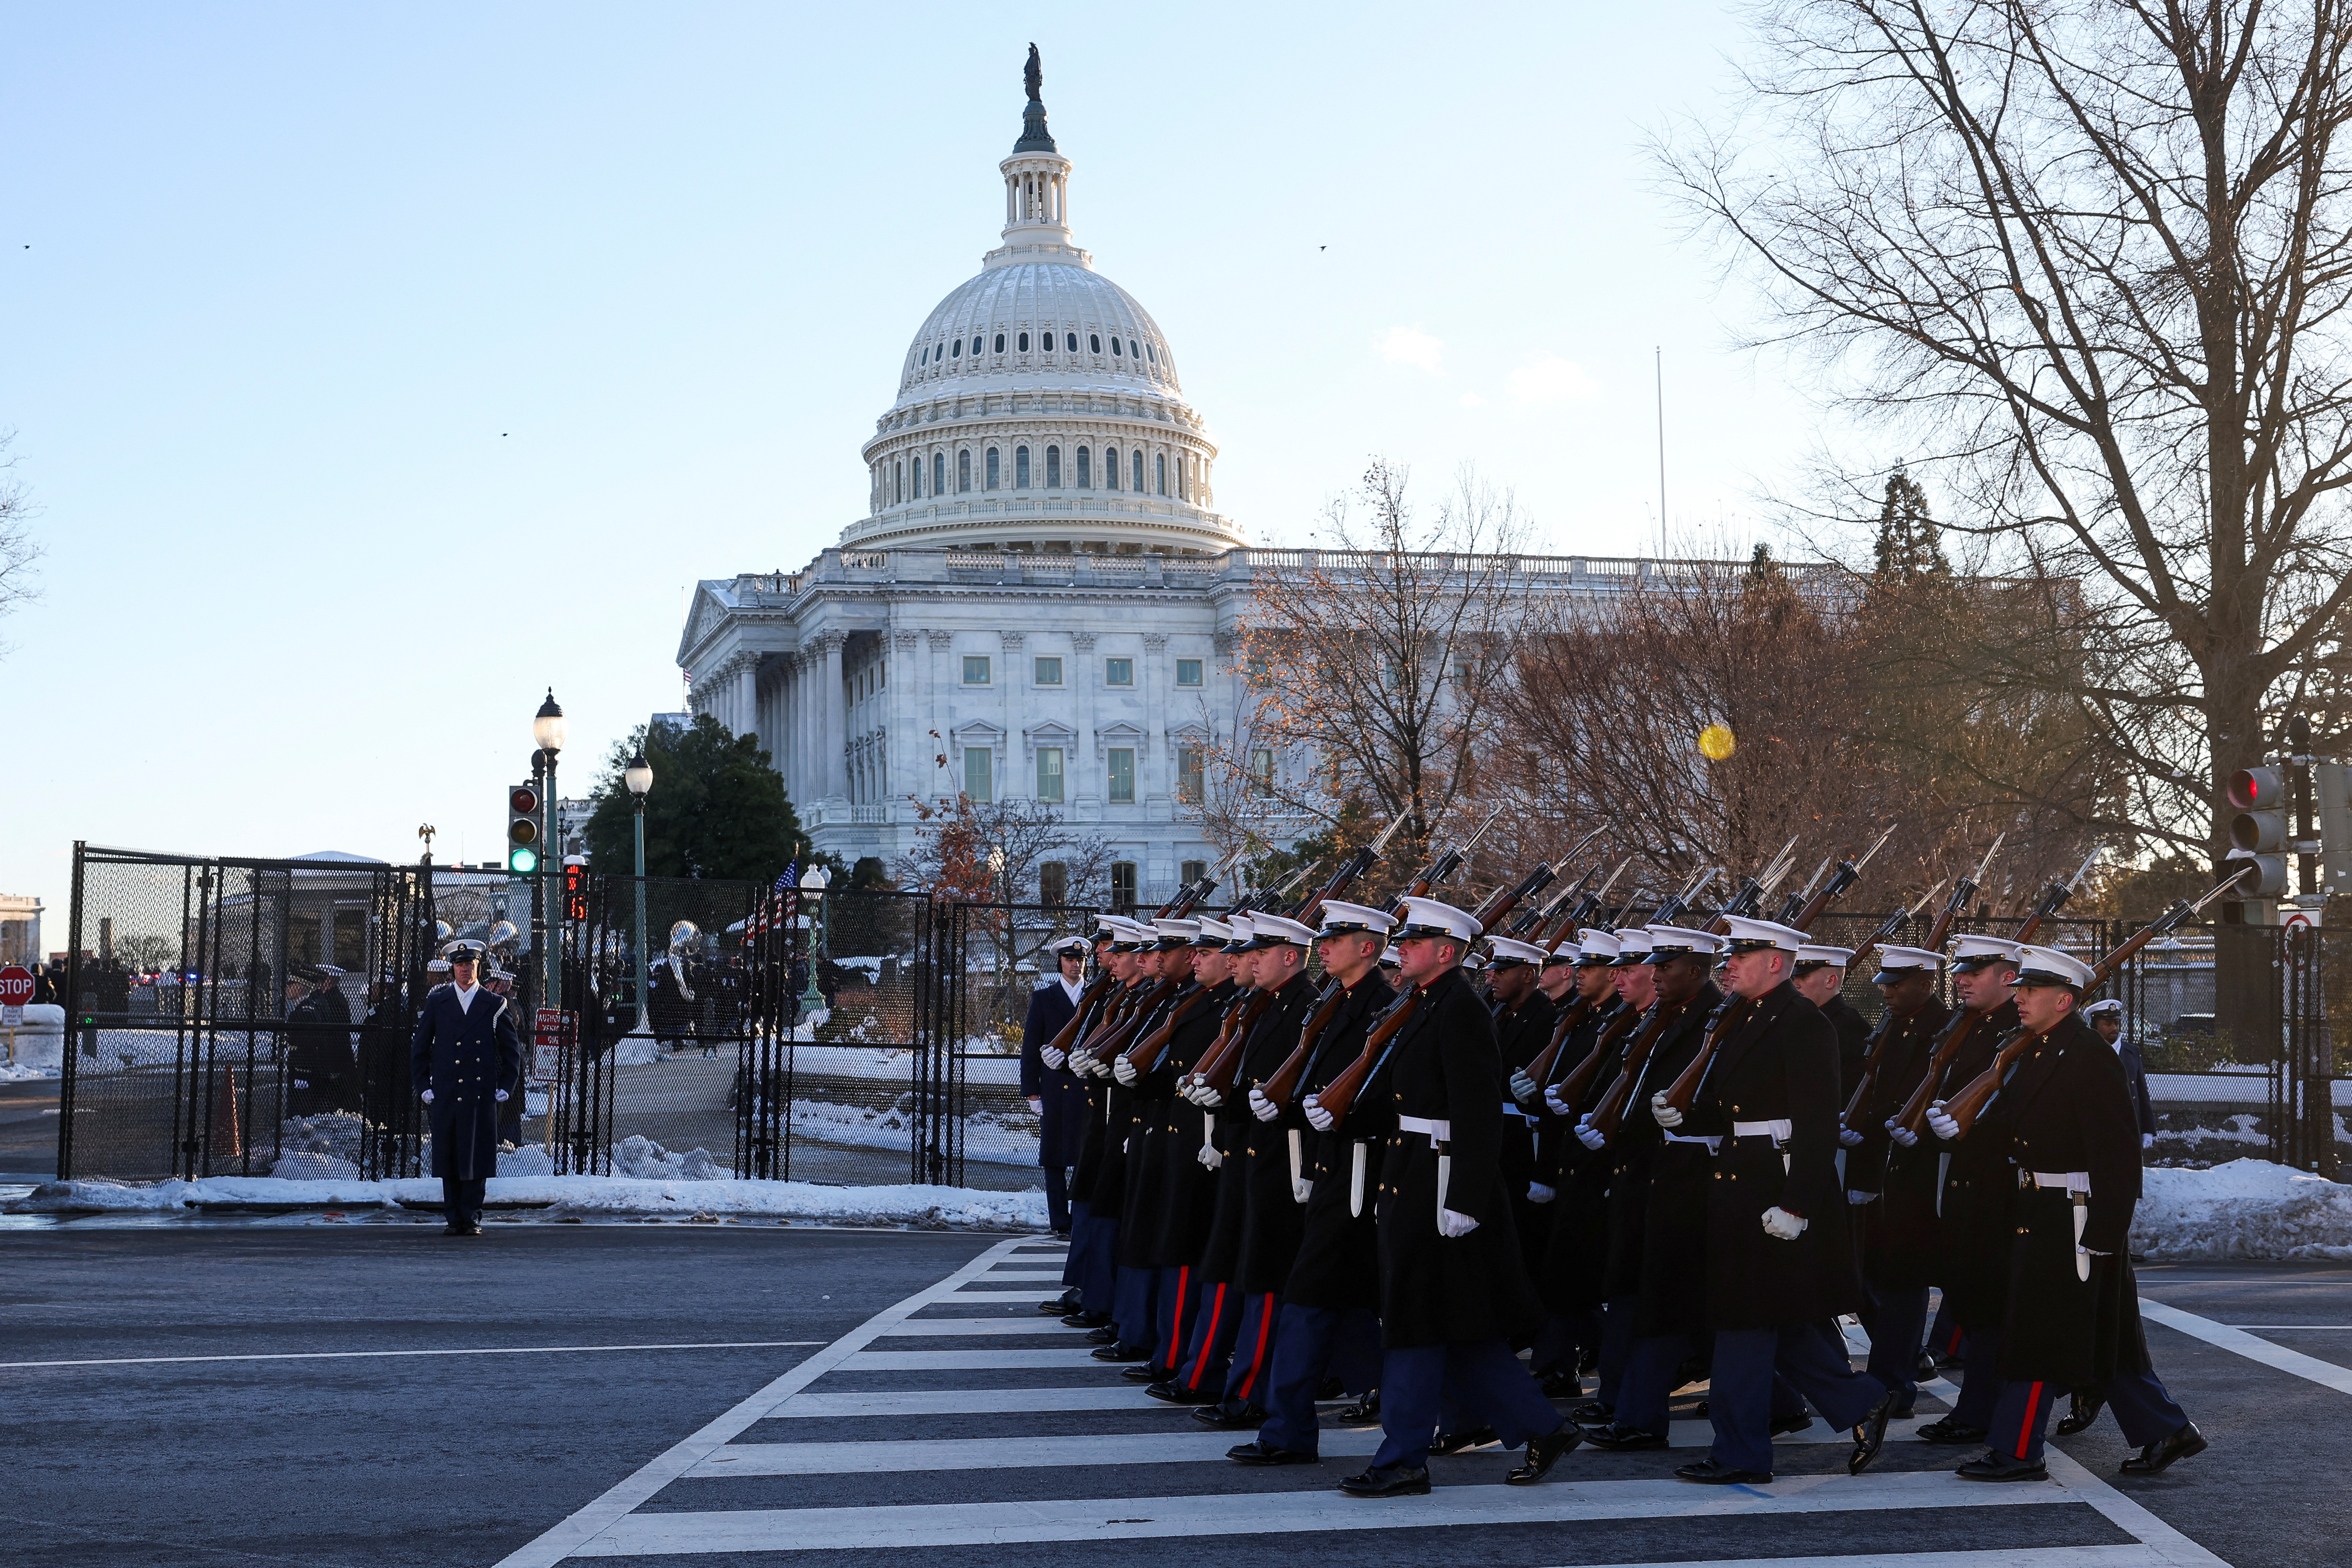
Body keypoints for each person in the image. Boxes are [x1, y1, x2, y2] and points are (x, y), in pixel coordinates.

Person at [1927, 945, 2204, 1480]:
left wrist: (2105, 1231)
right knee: (2100, 1333)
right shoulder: (2034, 1050)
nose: (2020, 997)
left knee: (2036, 1333)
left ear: (2063, 999)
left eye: (2030, 991)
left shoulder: (2086, 1054)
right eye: (2020, 988)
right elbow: (2010, 1120)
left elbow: (2116, 1152)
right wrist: (1959, 1129)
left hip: (2074, 1213)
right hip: (2037, 1207)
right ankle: (2166, 1430)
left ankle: (2016, 1450)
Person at [1338, 896, 1577, 1498]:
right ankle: (1542, 1427)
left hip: (1441, 1182)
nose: (1403, 951)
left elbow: (1477, 1111)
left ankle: (1402, 1459)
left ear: (1446, 952)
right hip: (1412, 1172)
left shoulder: (1461, 1009)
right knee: (1459, 1329)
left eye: (1414, 943)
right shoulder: (1424, 1003)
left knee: (1414, 1325)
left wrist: (1466, 1197)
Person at [1652, 915, 1894, 1485]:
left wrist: (1798, 1204)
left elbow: (1815, 1124)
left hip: (1775, 1186)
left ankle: (1739, 1453)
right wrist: (1685, 1115)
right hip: (1740, 1179)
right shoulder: (1744, 1017)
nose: (1729, 964)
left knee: (1742, 1324)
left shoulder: (1802, 1023)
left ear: (1776, 964)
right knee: (1771, 1319)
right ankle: (1861, 1401)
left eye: (1742, 955)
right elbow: (1737, 1108)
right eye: (1730, 955)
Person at [1224, 905, 1393, 1463]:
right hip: (1325, 1169)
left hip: (1355, 1176)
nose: (1323, 947)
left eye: (1336, 938)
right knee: (1339, 1309)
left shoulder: (1382, 1007)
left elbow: (1386, 1098)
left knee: (1307, 1303)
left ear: (1367, 947)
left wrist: (1309, 1116)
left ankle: (1288, 1432)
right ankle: (1445, 1406)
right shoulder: (1335, 1001)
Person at [1838, 943, 1952, 1418]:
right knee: (1881, 1279)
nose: (1883, 990)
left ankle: (1893, 1385)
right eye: (1883, 981)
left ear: (1924, 984)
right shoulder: (1897, 1026)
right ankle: (1892, 1376)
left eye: (1895, 982)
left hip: (1920, 1176)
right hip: (1886, 1171)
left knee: (1903, 1286)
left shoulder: (1941, 1031)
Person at [409, 941, 521, 1236]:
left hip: (479, 1092)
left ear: (478, 967)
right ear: (452, 968)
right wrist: (424, 1086)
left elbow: (512, 1051)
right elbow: (419, 1048)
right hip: (446, 1091)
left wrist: (506, 1086)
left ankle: (471, 1216)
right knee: (450, 1154)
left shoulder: (494, 1004)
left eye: (470, 965)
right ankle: (453, 1216)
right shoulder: (438, 1002)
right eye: (459, 965)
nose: (464, 970)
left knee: (476, 1155)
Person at [1021, 935, 1091, 1235]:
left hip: (1088, 1086)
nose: (1076, 965)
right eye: (1069, 960)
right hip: (1056, 1086)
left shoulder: (1097, 996)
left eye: (1080, 960)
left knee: (1085, 1156)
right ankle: (1060, 1221)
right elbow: (1031, 1047)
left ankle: (1083, 1217)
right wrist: (1032, 1091)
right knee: (1054, 1157)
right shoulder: (1044, 998)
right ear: (1060, 962)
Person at [1792, 944, 1869, 1099]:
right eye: (1794, 977)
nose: (1796, 984)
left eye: (1804, 977)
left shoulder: (1850, 1026)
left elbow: (1850, 1087)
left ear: (1830, 981)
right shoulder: (1800, 1018)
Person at [2083, 998, 2155, 1152]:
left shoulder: (2132, 1052)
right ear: (2095, 1026)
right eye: (2108, 1024)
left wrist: (2148, 1129)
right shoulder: (2086, 1053)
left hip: (2129, 1130)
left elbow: (2142, 1093)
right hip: (2098, 1130)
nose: (2114, 1028)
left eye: (2116, 1023)